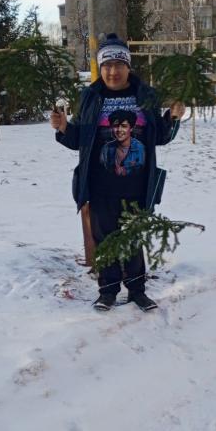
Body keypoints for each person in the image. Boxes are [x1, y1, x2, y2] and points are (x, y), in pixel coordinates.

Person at [51, 33, 184, 311]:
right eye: (107, 65)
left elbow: (159, 136)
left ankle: (137, 290)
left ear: (128, 66)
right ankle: (108, 291)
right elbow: (79, 140)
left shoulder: (144, 95)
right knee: (106, 239)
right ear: (101, 68)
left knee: (134, 239)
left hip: (137, 185)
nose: (112, 71)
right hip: (100, 186)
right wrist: (64, 127)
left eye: (118, 64)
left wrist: (172, 118)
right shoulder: (90, 96)